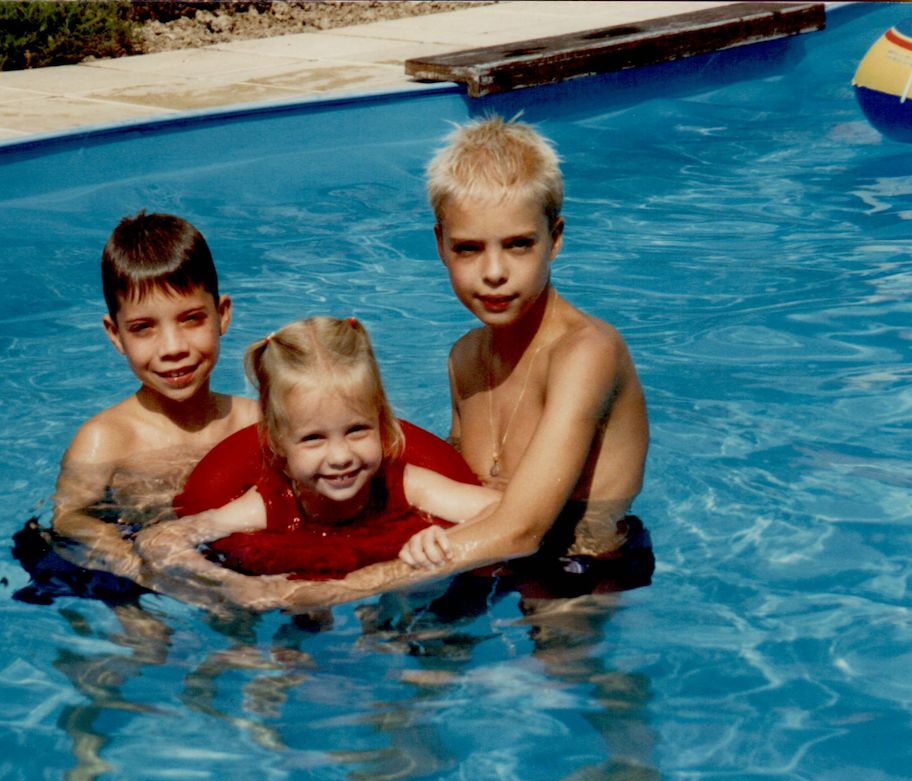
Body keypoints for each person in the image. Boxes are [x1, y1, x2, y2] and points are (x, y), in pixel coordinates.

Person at [225, 116, 651, 612]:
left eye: (518, 244)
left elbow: (525, 527)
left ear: (554, 238)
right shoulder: (466, 357)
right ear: (440, 246)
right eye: (468, 249)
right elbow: (444, 480)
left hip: (581, 565)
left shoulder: (587, 353)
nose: (493, 272)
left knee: (546, 683)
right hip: (481, 554)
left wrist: (343, 586)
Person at [135, 316, 500, 596]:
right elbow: (159, 542)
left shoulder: (405, 484)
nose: (340, 456)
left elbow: (511, 513)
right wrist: (234, 585)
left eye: (357, 430)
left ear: (382, 423)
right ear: (279, 444)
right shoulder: (270, 504)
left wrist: (446, 539)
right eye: (313, 439)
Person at [37, 211, 258, 585]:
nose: (172, 348)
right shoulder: (107, 438)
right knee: (147, 634)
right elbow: (70, 517)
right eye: (143, 328)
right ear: (116, 335)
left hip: (224, 554)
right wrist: (131, 562)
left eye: (191, 319)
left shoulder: (255, 422)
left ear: (221, 315)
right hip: (132, 563)